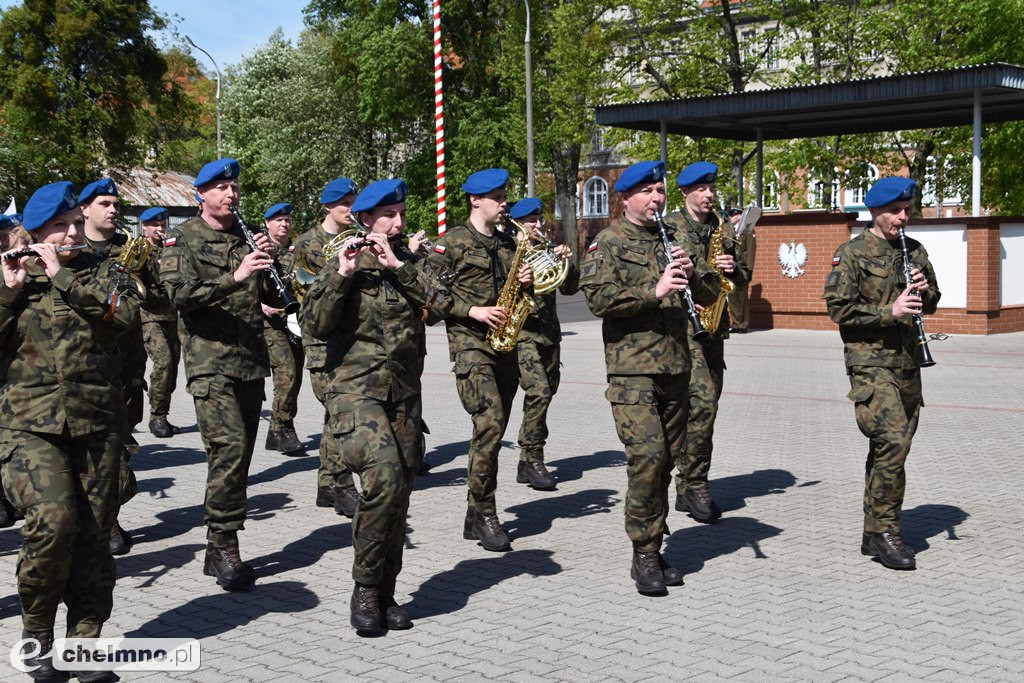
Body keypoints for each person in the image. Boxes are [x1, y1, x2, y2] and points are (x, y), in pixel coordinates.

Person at [1, 181, 139, 682]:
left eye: (74, 225)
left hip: (97, 422)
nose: (70, 234)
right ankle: (37, 630)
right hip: (29, 426)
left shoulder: (104, 271)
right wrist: (7, 291)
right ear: (34, 232)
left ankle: (84, 643)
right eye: (58, 227)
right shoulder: (9, 275)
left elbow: (125, 318)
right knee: (53, 522)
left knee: (95, 536)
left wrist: (63, 278)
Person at [303, 178, 450, 635]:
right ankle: (364, 587)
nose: (398, 222)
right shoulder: (340, 260)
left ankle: (386, 592)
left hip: (404, 394)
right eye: (388, 215)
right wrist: (341, 276)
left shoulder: (407, 260)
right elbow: (313, 324)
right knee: (383, 477)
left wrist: (399, 266)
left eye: (402, 213)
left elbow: (445, 304)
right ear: (365, 219)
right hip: (355, 390)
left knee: (399, 495)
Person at [580, 161, 720, 595]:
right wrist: (653, 291)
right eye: (647, 191)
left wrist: (696, 276)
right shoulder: (608, 242)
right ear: (627, 198)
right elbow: (598, 299)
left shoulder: (674, 237)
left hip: (678, 367)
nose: (656, 198)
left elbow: (714, 291)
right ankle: (643, 553)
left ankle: (655, 543)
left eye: (660, 190)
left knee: (666, 463)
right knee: (648, 458)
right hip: (632, 371)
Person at [160, 158, 286, 591]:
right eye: (221, 188)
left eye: (234, 188)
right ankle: (222, 545)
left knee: (238, 456)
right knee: (229, 448)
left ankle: (220, 538)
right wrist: (236, 276)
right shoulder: (183, 239)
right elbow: (181, 297)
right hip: (209, 363)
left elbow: (271, 294)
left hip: (250, 361)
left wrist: (271, 266)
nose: (230, 195)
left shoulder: (244, 236)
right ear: (202, 195)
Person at [823, 176, 940, 571]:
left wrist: (923, 292)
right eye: (895, 211)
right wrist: (888, 312)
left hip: (908, 362)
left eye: (907, 210)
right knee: (893, 440)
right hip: (870, 364)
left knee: (892, 448)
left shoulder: (914, 249)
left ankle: (873, 531)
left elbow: (934, 301)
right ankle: (887, 530)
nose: (902, 218)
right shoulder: (852, 254)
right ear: (875, 212)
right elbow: (839, 309)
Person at [427, 168, 533, 552]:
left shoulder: (507, 242)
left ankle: (474, 510)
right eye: (497, 196)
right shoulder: (450, 243)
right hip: (471, 346)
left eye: (504, 195)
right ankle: (486, 511)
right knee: (488, 422)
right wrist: (471, 310)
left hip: (505, 345)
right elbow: (428, 296)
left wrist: (526, 283)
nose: (504, 202)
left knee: (496, 426)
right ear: (475, 200)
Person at [669, 162, 750, 523]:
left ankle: (687, 485)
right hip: (683, 330)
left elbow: (743, 278)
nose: (709, 194)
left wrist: (732, 268)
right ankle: (694, 483)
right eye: (701, 189)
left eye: (711, 188)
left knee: (706, 408)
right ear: (685, 192)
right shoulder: (669, 227)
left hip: (714, 328)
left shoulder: (723, 227)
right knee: (701, 406)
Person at [79, 178, 148, 556]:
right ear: (84, 208)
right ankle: (107, 522)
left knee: (123, 443)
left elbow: (156, 301)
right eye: (104, 203)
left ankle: (109, 512)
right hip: (90, 365)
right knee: (102, 449)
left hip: (129, 364)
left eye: (116, 203)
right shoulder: (75, 251)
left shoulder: (128, 248)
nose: (113, 209)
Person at [293, 178, 361, 516]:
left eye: (353, 202)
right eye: (344, 204)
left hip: (350, 341)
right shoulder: (307, 243)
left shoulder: (356, 236)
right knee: (339, 415)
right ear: (328, 207)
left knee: (335, 416)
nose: (351, 209)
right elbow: (305, 295)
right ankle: (342, 485)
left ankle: (328, 484)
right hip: (321, 342)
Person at [506, 197, 579, 491]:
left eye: (539, 220)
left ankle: (526, 460)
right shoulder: (508, 252)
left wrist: (567, 263)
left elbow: (571, 287)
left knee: (546, 394)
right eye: (531, 222)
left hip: (550, 335)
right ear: (517, 224)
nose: (537, 226)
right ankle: (534, 456)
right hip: (523, 334)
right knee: (539, 391)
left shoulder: (547, 250)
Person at [262, 202, 305, 455]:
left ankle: (278, 429)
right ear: (267, 223)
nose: (284, 224)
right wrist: (259, 305)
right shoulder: (258, 247)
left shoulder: (295, 251)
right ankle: (282, 428)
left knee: (295, 376)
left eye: (287, 219)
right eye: (278, 220)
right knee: (286, 372)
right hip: (267, 322)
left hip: (293, 321)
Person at [139, 206, 183, 439]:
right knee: (164, 361)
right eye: (154, 225)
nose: (160, 229)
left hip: (171, 315)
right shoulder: (141, 251)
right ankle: (155, 417)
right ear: (144, 227)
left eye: (162, 224)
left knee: (173, 368)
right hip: (149, 316)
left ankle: (162, 415)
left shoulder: (170, 249)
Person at [727, 207, 756, 333]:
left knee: (742, 296)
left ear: (739, 215)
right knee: (732, 295)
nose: (729, 217)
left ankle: (743, 324)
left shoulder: (748, 229)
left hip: (742, 267)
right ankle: (736, 323)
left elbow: (750, 250)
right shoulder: (729, 230)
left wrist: (749, 269)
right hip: (731, 266)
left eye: (732, 215)